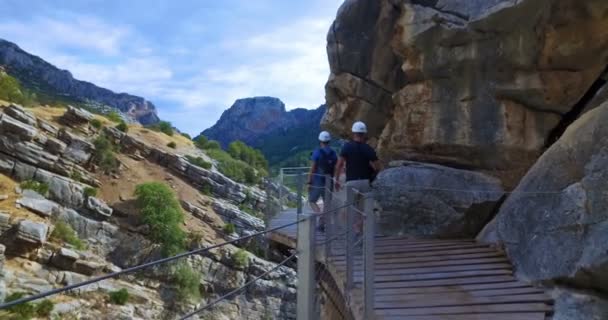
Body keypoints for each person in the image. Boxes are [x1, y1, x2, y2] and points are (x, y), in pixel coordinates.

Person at [334, 121, 381, 234]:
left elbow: (339, 164)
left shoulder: (347, 147)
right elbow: (377, 166)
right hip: (365, 182)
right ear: (364, 134)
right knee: (363, 209)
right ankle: (358, 228)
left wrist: (336, 179)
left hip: (351, 182)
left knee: (349, 208)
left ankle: (353, 230)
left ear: (353, 133)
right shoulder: (368, 148)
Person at [307, 131, 337, 229]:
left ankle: (320, 216)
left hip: (318, 181)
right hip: (329, 181)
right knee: (327, 203)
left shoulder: (317, 152)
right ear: (329, 141)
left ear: (320, 141)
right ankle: (322, 223)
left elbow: (312, 168)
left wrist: (309, 181)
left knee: (312, 201)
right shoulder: (333, 153)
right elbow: (336, 168)